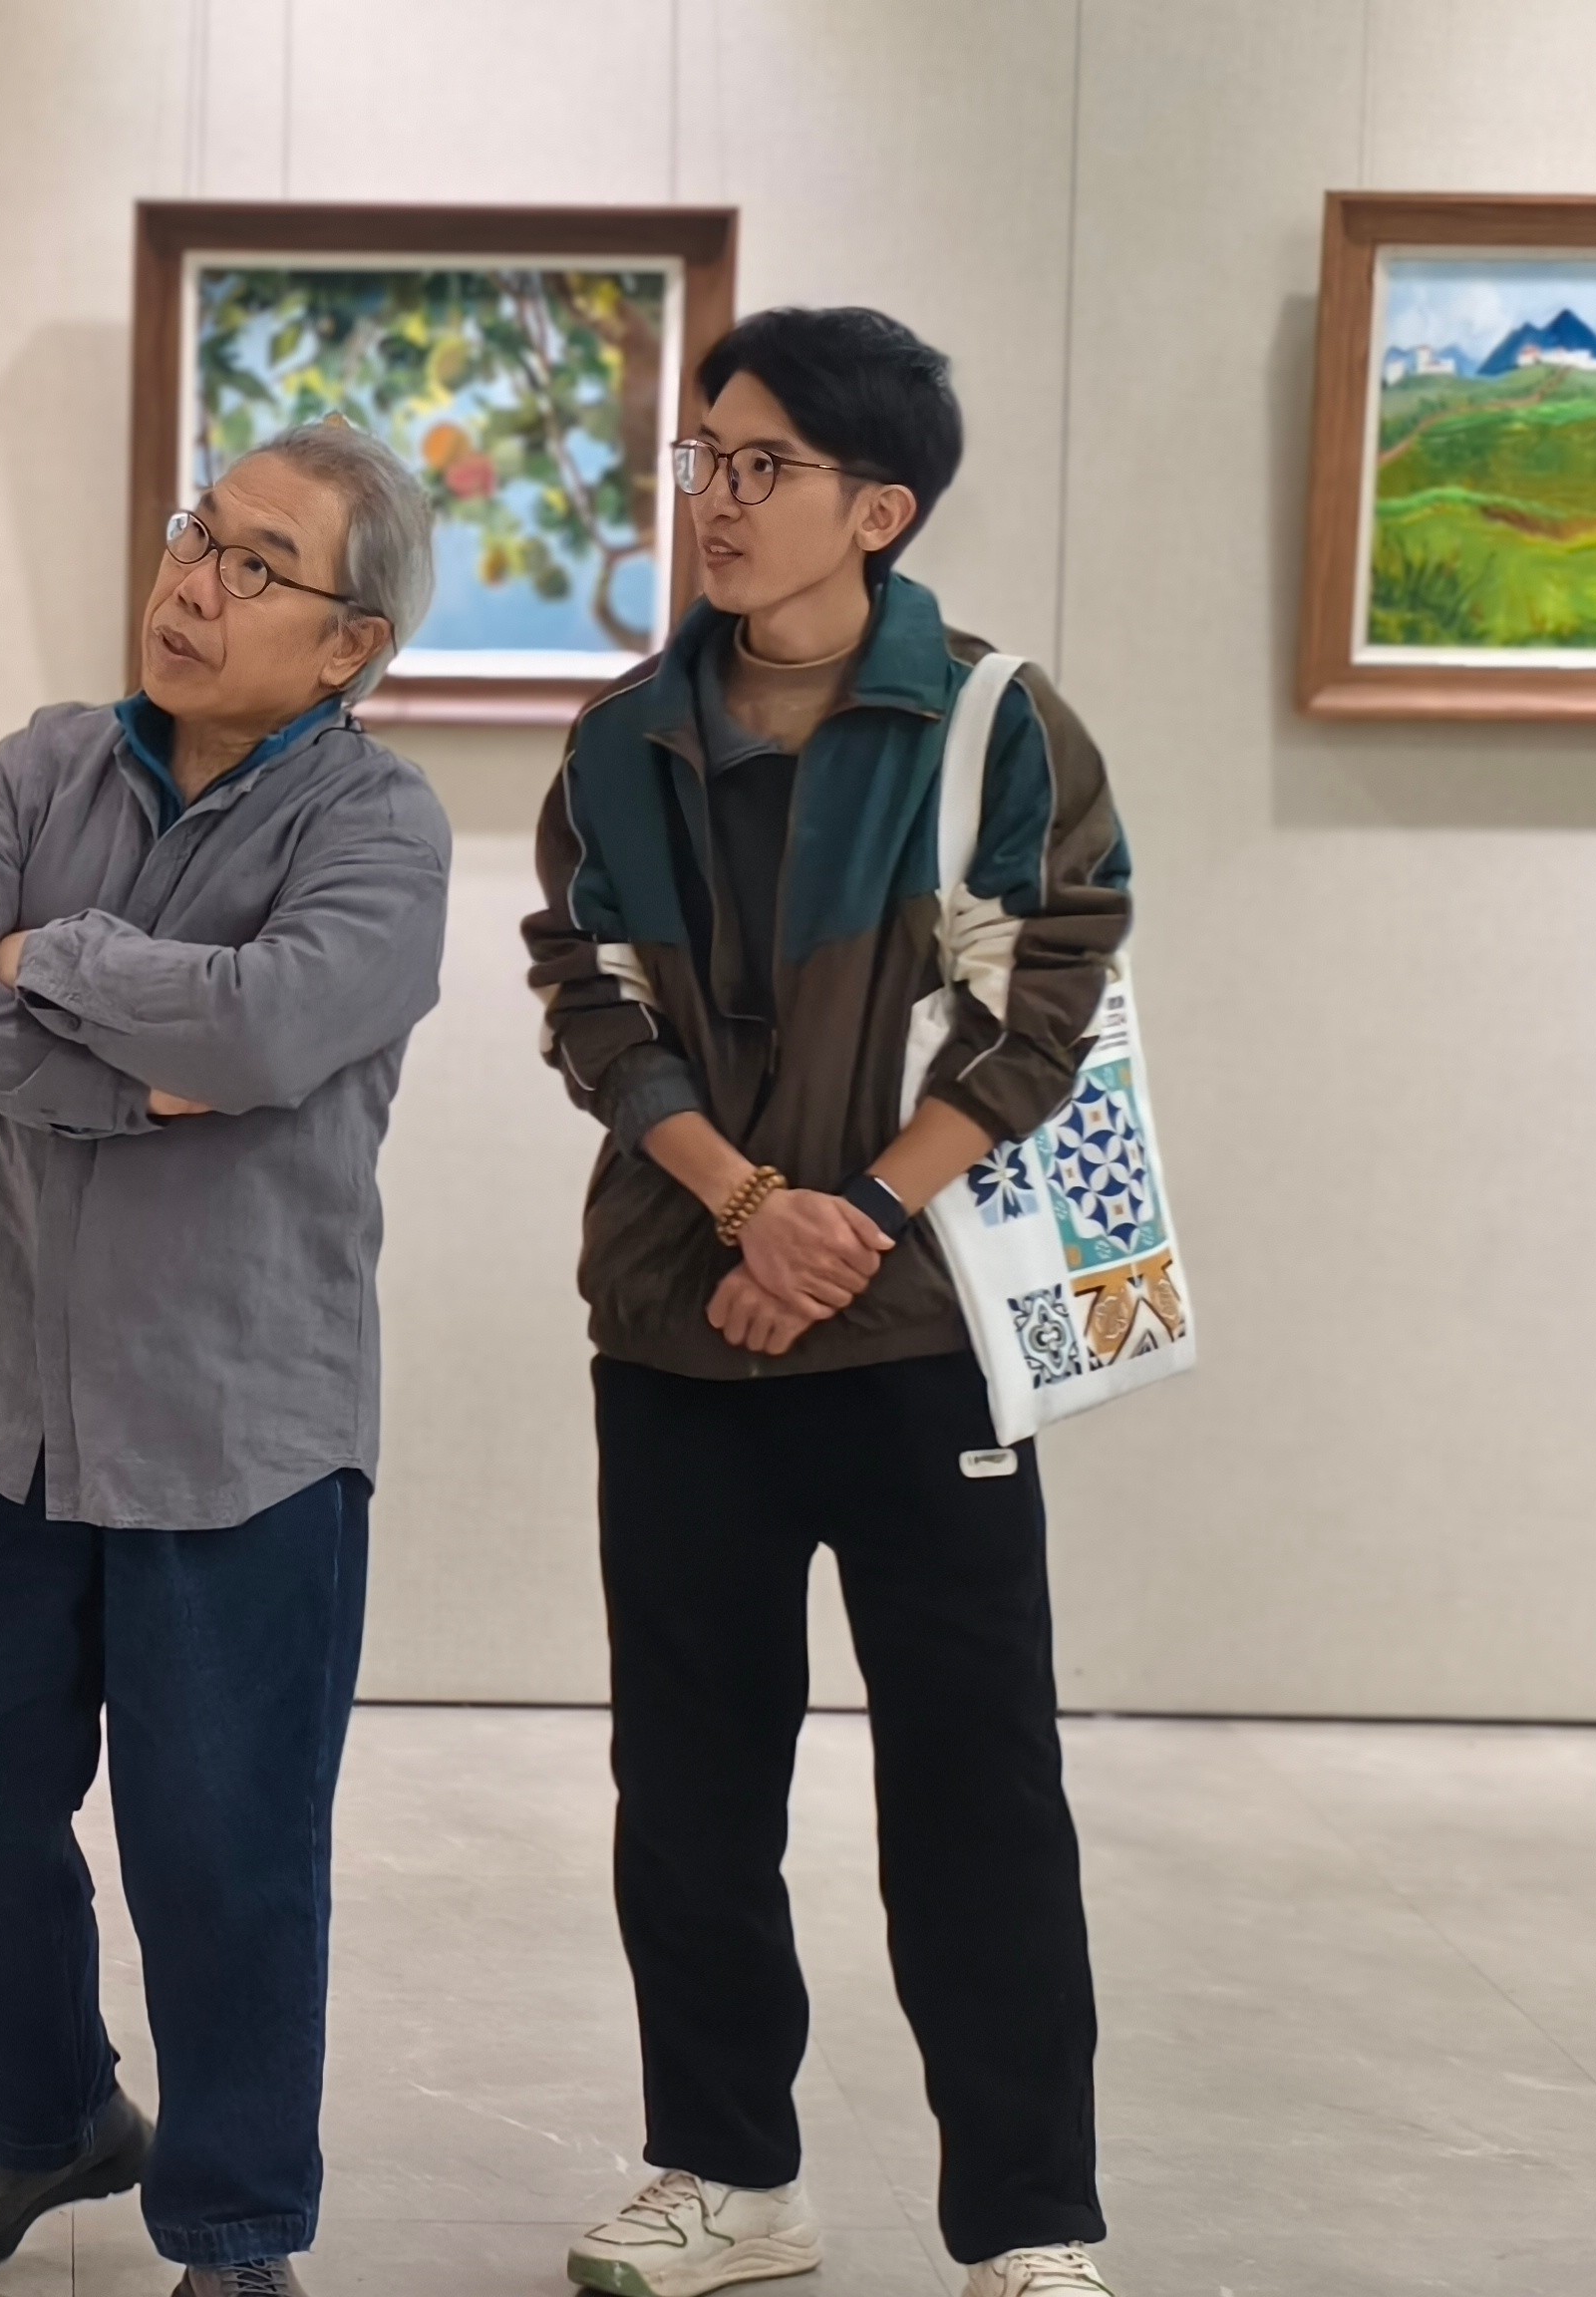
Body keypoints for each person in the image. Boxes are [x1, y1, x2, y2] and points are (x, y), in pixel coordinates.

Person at [522, 308, 1135, 2297]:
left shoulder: (989, 722)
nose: (715, 496)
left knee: (977, 1784)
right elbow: (588, 996)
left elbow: (1047, 1001)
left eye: (762, 464)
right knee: (690, 1785)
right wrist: (744, 1204)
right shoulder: (621, 738)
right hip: (678, 1323)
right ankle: (727, 2177)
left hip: (919, 1334)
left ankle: (1026, 2222)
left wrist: (849, 1219)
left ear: (880, 510)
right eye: (705, 455)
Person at [0, 420, 454, 2297]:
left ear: (350, 646)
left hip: (239, 1427)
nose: (194, 581)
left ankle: (234, 2228)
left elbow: (273, 1030)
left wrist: (59, 956)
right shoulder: (43, 762)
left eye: (258, 565)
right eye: (201, 534)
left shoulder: (381, 829)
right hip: (4, 1416)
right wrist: (141, 1083)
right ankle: (46, 2121)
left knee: (225, 1854)